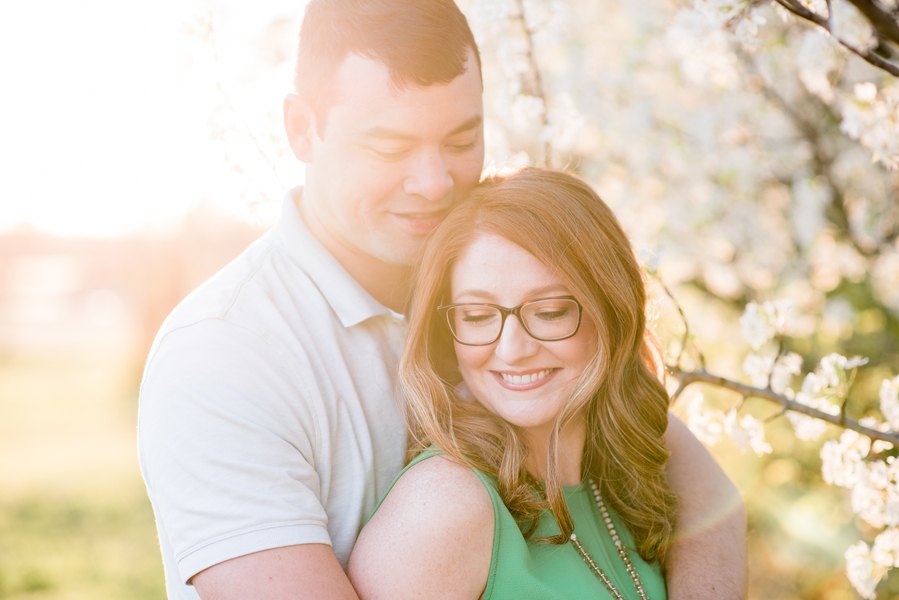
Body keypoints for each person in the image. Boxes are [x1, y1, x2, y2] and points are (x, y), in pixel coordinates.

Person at [138, 1, 746, 599]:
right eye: (390, 148)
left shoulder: (494, 273)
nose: (434, 184)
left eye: (461, 140)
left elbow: (701, 493)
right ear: (303, 129)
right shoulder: (221, 355)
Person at [349, 167, 679, 598]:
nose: (512, 349)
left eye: (550, 311)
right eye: (478, 316)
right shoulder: (443, 507)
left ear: (613, 313)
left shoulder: (624, 485)